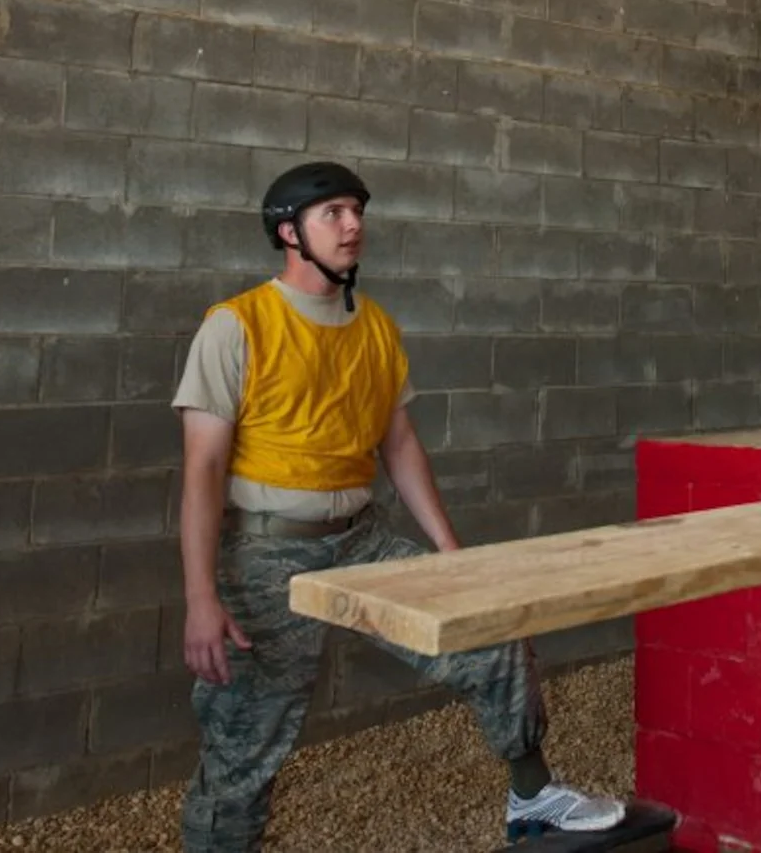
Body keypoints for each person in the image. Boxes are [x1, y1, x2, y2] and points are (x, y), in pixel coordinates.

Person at [176, 162, 626, 852]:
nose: (353, 224)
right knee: (245, 742)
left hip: (360, 541)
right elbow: (203, 468)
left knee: (493, 635)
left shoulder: (377, 328)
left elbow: (402, 447)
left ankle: (534, 799)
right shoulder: (236, 325)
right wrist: (200, 595)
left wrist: (454, 560)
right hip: (266, 553)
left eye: (356, 210)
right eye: (333, 213)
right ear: (289, 232)